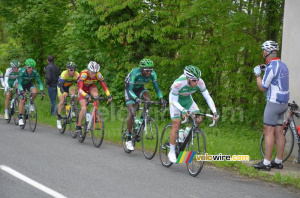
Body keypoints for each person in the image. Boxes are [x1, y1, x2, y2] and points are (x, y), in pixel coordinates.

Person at [168, 65, 218, 163]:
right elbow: (174, 101)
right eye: (194, 80)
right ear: (188, 79)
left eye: (197, 80)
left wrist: (214, 112)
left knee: (198, 119)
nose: (196, 82)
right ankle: (171, 152)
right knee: (176, 123)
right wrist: (182, 110)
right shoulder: (178, 84)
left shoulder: (200, 82)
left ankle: (184, 134)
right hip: (175, 101)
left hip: (187, 100)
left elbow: (207, 97)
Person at [253, 40, 289, 171]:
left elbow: (263, 87)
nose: (263, 52)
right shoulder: (283, 65)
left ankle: (266, 163)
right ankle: (278, 161)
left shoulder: (272, 68)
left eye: (263, 50)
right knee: (279, 131)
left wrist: (258, 74)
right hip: (283, 103)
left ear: (267, 52)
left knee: (268, 132)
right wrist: (265, 68)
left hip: (273, 103)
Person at [124, 58, 166, 151]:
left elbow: (157, 89)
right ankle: (129, 138)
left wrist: (161, 98)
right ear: (142, 69)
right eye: (147, 70)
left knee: (148, 100)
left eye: (151, 70)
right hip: (130, 89)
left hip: (140, 88)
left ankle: (142, 119)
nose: (149, 72)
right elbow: (130, 89)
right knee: (132, 111)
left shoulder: (153, 74)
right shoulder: (135, 73)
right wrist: (136, 99)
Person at [76, 61, 112, 138]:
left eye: (95, 72)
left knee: (96, 96)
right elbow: (79, 90)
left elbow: (105, 87)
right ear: (89, 71)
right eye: (92, 72)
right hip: (82, 89)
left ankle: (94, 113)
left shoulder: (98, 75)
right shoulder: (84, 74)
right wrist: (86, 95)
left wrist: (108, 95)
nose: (94, 74)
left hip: (90, 86)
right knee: (84, 108)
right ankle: (78, 126)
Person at [18, 58, 45, 126]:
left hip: (29, 84)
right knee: (22, 100)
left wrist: (41, 90)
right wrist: (21, 91)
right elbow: (19, 83)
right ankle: (20, 117)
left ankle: (31, 103)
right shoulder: (22, 71)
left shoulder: (35, 72)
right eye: (29, 67)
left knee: (35, 92)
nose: (31, 69)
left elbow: (40, 82)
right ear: (26, 66)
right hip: (22, 85)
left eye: (32, 68)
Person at [56, 62, 79, 129]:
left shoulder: (77, 74)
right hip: (61, 87)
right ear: (67, 69)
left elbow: (81, 83)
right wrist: (63, 92)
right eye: (71, 70)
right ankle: (59, 119)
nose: (73, 71)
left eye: (74, 69)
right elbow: (61, 86)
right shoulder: (64, 74)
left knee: (74, 96)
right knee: (62, 101)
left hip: (70, 86)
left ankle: (72, 109)